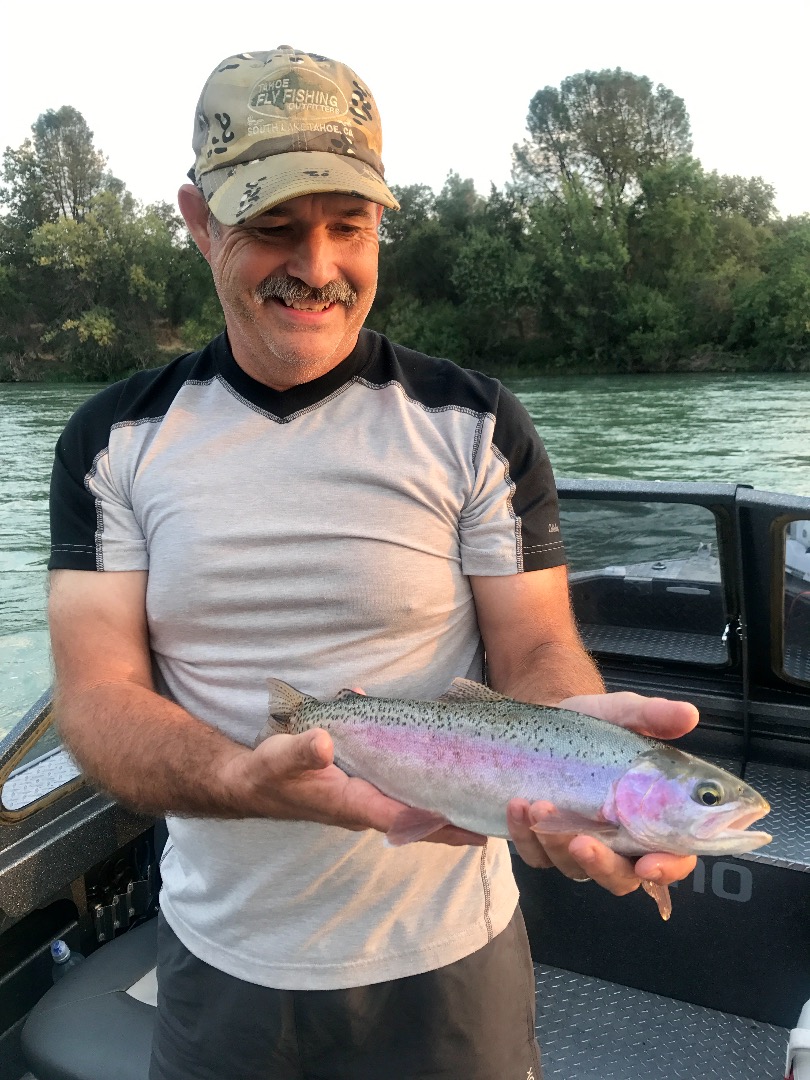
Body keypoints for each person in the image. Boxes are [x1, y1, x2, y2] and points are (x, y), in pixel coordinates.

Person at [47, 46, 698, 1080]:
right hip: (221, 959)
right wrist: (241, 777)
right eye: (272, 225)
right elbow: (96, 695)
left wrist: (582, 750)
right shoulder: (113, 438)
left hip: (450, 961)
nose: (318, 264)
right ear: (199, 220)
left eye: (349, 226)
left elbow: (533, 649)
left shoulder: (476, 422)